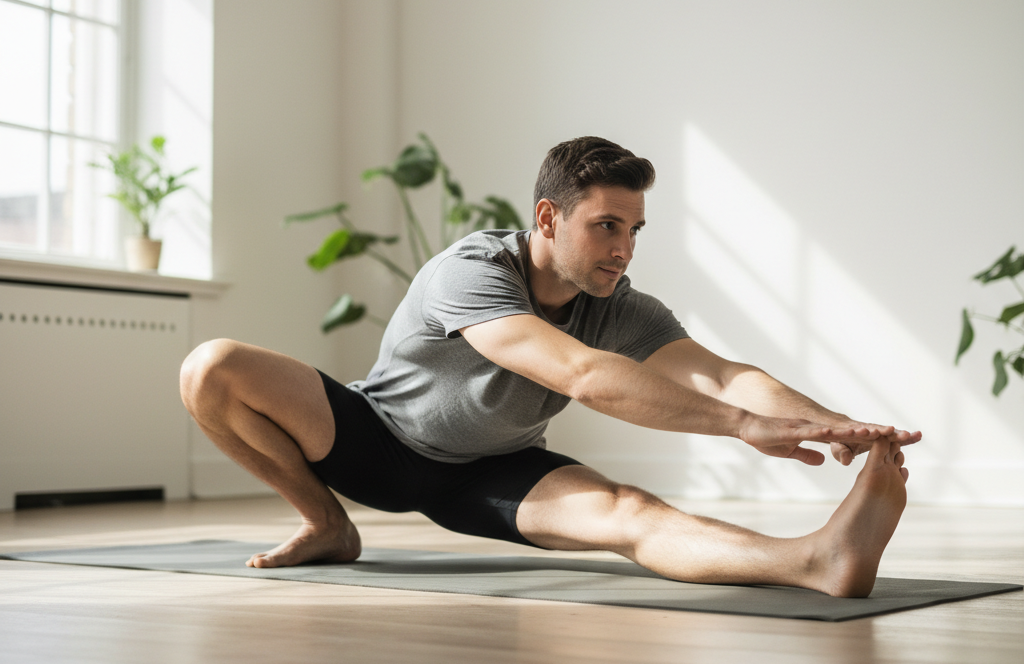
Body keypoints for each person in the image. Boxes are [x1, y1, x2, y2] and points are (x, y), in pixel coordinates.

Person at [180, 137, 921, 598]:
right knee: (211, 366)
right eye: (605, 226)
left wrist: (830, 421)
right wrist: (745, 428)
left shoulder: (620, 303)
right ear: (546, 218)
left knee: (631, 513)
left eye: (633, 229)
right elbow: (581, 375)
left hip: (491, 472)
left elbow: (723, 375)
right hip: (376, 441)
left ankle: (815, 560)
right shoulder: (471, 271)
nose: (623, 247)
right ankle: (326, 524)